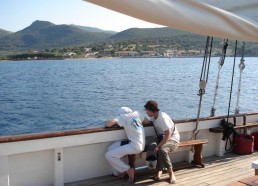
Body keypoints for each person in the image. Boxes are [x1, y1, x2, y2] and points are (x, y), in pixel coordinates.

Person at [143, 100, 180, 184]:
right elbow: (147, 120)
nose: (146, 112)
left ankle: (171, 174)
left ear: (151, 110)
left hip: (173, 139)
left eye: (146, 110)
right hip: (162, 138)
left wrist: (158, 146)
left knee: (162, 150)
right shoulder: (153, 116)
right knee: (151, 146)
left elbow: (168, 134)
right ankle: (158, 170)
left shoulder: (163, 118)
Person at [105, 107, 145, 183]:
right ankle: (123, 170)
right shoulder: (137, 114)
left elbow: (108, 124)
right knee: (110, 148)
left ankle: (128, 169)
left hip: (134, 146)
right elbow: (146, 121)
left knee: (109, 155)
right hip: (139, 143)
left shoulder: (123, 117)